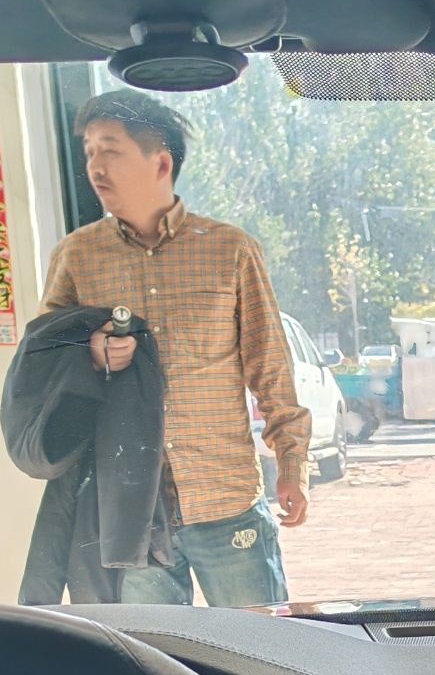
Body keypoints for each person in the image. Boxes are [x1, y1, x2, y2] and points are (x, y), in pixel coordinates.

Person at [39, 91, 308, 607]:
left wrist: (292, 464)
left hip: (224, 498)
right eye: (89, 151)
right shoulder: (76, 257)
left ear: (160, 163)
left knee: (260, 642)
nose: (94, 166)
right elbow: (44, 360)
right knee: (154, 649)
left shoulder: (230, 250)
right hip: (132, 510)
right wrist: (92, 353)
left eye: (109, 149)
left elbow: (269, 365)